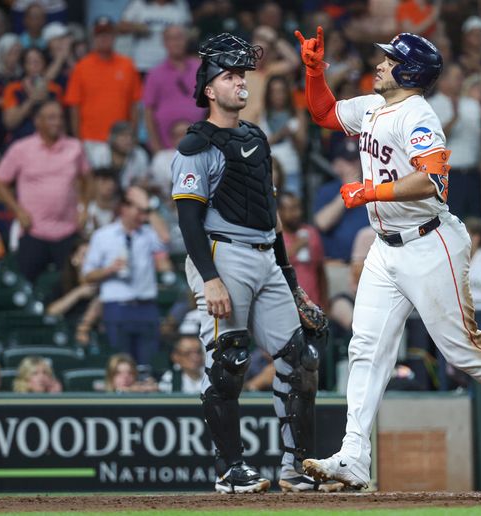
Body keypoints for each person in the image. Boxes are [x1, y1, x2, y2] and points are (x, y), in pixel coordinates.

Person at [294, 27, 481, 489]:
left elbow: (433, 179)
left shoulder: (418, 115)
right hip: (385, 247)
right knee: (365, 348)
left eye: (389, 60)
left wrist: (369, 191)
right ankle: (354, 455)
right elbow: (324, 112)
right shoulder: (375, 106)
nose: (379, 64)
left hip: (429, 243)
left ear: (410, 71)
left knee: (462, 350)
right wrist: (314, 71)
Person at [171, 33, 335, 494]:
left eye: (242, 75)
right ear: (209, 89)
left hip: (266, 255)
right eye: (229, 76)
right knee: (230, 361)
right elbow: (188, 220)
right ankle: (230, 471)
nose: (240, 82)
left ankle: (295, 466)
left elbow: (272, 215)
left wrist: (292, 281)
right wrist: (210, 279)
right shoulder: (195, 145)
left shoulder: (256, 136)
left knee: (301, 359)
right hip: (222, 254)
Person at [0, 99, 90, 283]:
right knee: (25, 284)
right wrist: (18, 210)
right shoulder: (21, 149)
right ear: (38, 122)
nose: (58, 122)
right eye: (51, 118)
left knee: (72, 282)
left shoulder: (75, 147)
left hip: (67, 230)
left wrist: (84, 206)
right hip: (33, 230)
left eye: (60, 117)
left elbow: (87, 178)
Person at [82, 186, 172, 366]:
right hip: (117, 308)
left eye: (145, 211)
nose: (144, 215)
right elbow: (88, 275)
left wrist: (149, 206)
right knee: (120, 364)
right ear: (124, 208)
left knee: (148, 364)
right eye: (139, 210)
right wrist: (109, 269)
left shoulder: (147, 234)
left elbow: (165, 238)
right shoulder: (103, 236)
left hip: (146, 307)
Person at [64, 17, 143, 148]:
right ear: (93, 38)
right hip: (90, 140)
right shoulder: (81, 67)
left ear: (114, 36)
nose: (104, 38)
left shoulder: (128, 65)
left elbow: (134, 106)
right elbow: (74, 108)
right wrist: (79, 141)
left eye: (107, 34)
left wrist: (132, 137)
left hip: (122, 139)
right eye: (99, 34)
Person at [313, 139, 370, 298]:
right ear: (335, 165)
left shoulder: (371, 188)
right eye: (346, 161)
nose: (353, 165)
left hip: (370, 268)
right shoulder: (328, 190)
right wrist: (347, 191)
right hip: (338, 268)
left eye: (355, 160)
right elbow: (322, 223)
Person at [428, 63, 481, 218]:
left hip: (473, 173)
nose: (462, 81)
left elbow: (479, 139)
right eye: (457, 78)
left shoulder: (472, 104)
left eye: (462, 77)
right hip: (448, 176)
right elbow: (434, 140)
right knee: (451, 221)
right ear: (443, 81)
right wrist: (454, 117)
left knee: (475, 221)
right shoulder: (431, 106)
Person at [143, 24, 205, 154]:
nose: (176, 42)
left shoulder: (200, 69)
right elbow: (148, 112)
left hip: (199, 147)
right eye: (171, 38)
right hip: (165, 149)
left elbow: (213, 104)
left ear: (186, 40)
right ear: (165, 43)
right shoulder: (154, 74)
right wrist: (156, 148)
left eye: (180, 37)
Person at [2, 46, 65, 142]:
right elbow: (10, 122)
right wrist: (31, 100)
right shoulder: (13, 88)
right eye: (29, 62)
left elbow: (60, 122)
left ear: (44, 64)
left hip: (49, 143)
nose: (34, 66)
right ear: (24, 66)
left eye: (37, 61)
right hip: (21, 141)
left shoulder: (55, 89)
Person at [259, 75, 308, 195]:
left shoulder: (297, 114)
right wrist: (279, 135)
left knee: (292, 211)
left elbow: (303, 148)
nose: (278, 95)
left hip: (290, 169)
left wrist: (292, 135)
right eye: (274, 91)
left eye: (281, 91)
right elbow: (257, 147)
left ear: (287, 93)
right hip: (268, 173)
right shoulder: (261, 115)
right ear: (268, 94)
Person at [116, 0, 192, 74]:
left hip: (170, 64)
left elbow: (188, 30)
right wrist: (137, 27)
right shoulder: (139, 3)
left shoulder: (180, 3)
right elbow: (121, 27)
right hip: (143, 63)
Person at [279, 191, 326, 307]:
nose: (297, 213)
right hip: (286, 305)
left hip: (313, 305)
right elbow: (276, 264)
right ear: (279, 211)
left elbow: (320, 270)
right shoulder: (275, 238)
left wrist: (325, 304)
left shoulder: (311, 233)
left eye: (299, 208)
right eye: (292, 209)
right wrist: (297, 245)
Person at [86, 120, 150, 189]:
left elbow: (144, 180)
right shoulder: (99, 153)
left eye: (131, 136)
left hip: (130, 195)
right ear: (112, 138)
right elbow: (91, 180)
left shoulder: (140, 154)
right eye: (123, 136)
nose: (129, 140)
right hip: (102, 195)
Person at [158, 322, 206, 394]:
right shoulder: (170, 379)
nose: (195, 357)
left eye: (198, 352)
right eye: (187, 353)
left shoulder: (210, 376)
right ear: (176, 357)